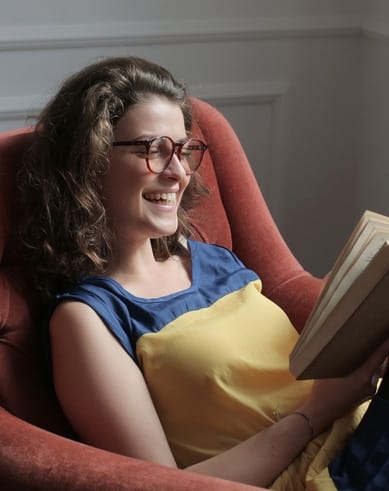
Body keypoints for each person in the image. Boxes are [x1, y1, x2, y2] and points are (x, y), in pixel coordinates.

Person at [17, 56, 389, 490]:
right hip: (318, 477)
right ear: (91, 161)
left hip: (362, 430)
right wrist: (317, 412)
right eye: (153, 150)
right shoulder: (88, 319)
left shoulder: (215, 260)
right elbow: (161, 484)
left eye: (183, 150)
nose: (178, 173)